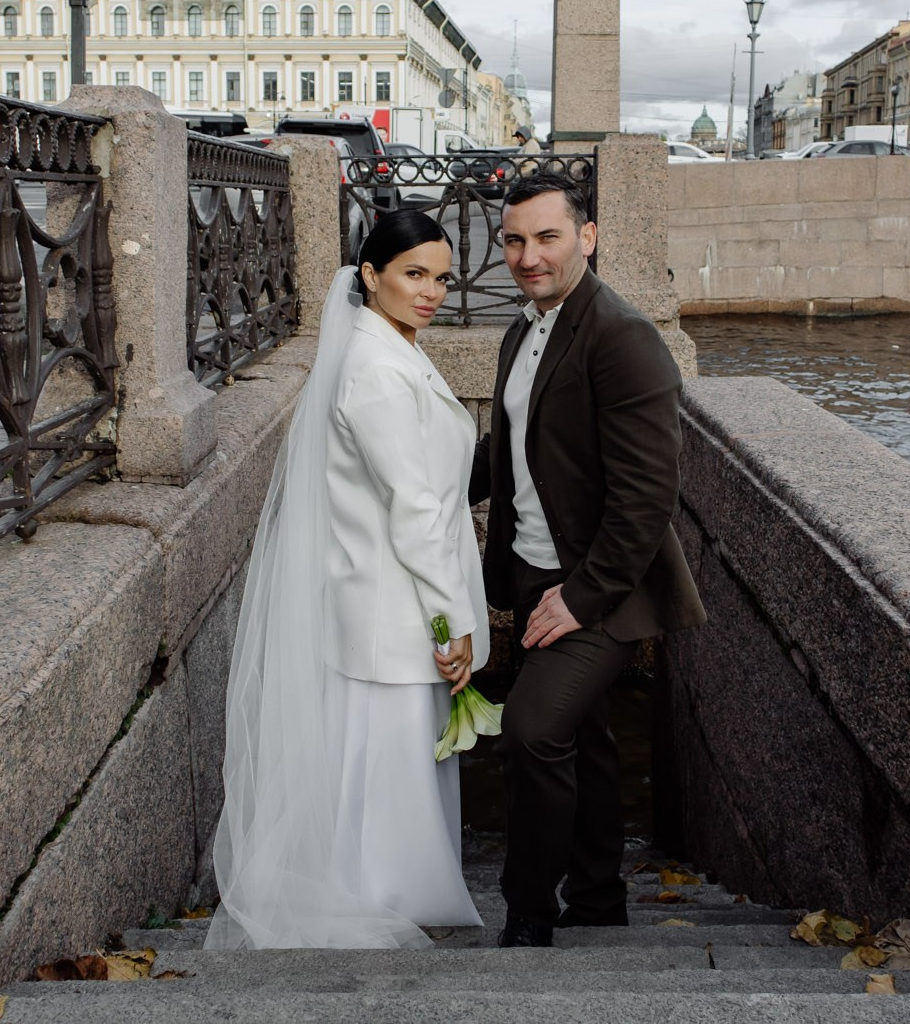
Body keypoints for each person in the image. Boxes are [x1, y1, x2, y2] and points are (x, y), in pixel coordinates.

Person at [209, 209, 491, 949]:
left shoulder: (388, 346)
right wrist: (452, 617)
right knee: (389, 763)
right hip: (396, 603)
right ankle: (384, 897)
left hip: (380, 597)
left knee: (382, 764)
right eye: (413, 275)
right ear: (370, 275)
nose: (430, 292)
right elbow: (415, 512)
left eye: (440, 277)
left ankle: (385, 887)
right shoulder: (375, 372)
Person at [472, 171, 707, 948]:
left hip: (604, 584)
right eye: (514, 240)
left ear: (588, 237)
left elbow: (647, 497)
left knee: (534, 730)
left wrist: (580, 597)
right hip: (535, 570)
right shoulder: (523, 327)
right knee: (587, 737)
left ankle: (530, 912)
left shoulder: (622, 335)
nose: (528, 256)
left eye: (547, 237)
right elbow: (504, 447)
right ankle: (600, 897)